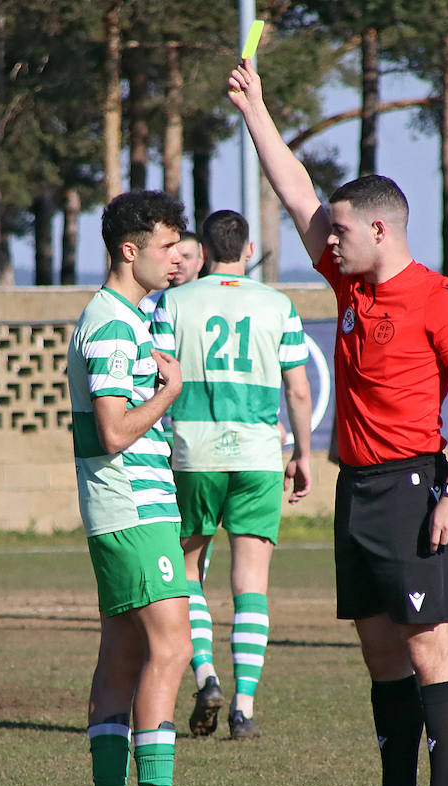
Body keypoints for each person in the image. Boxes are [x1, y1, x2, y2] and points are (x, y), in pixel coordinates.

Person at [228, 60, 448, 786]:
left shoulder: (436, 296)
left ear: (380, 230)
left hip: (417, 486)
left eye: (341, 232)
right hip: (358, 489)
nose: (327, 239)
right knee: (380, 651)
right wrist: (257, 110)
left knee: (426, 644)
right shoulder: (354, 290)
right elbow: (298, 194)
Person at [66, 189, 214, 786]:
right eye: (164, 248)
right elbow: (114, 429)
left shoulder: (131, 314)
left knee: (124, 657)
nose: (176, 259)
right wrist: (172, 393)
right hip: (130, 505)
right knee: (173, 646)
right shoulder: (111, 324)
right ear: (130, 251)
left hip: (131, 506)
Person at [150, 208, 313, 740]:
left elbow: (156, 376)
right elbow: (298, 389)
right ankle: (243, 709)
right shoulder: (278, 305)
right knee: (251, 585)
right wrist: (303, 453)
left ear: (203, 249)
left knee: (189, 573)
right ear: (247, 250)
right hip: (258, 456)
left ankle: (205, 675)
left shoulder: (174, 302)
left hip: (194, 452)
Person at [138, 231, 204, 319]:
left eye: (186, 256)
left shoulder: (210, 302)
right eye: (173, 255)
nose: (179, 261)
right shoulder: (147, 306)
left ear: (200, 262)